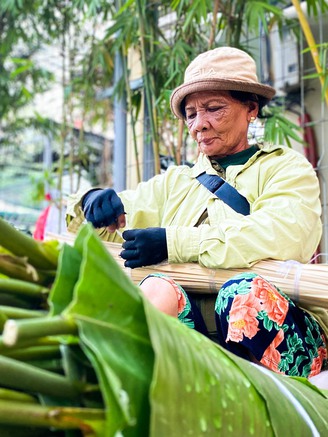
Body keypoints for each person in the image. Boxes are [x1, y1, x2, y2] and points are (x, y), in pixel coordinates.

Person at [66, 47, 327, 383]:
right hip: (201, 338)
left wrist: (174, 242)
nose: (199, 125)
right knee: (156, 288)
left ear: (251, 109)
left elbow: (278, 235)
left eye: (214, 109)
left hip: (278, 336)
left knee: (242, 297)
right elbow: (107, 222)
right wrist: (92, 202)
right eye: (190, 114)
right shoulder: (176, 182)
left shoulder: (288, 169)